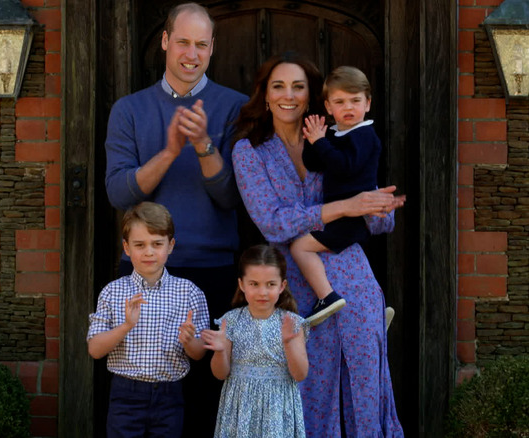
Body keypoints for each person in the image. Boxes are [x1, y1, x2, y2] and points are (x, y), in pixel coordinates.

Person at [231, 52, 405, 437]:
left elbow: (377, 220)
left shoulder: (339, 139)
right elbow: (273, 223)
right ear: (265, 95)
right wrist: (345, 206)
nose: (288, 95)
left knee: (364, 381)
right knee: (306, 387)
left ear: (311, 97)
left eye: (298, 87)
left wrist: (379, 207)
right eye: (278, 86)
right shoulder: (249, 151)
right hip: (292, 284)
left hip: (352, 274)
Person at [103, 3, 248, 435]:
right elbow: (119, 193)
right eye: (182, 41)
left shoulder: (235, 107)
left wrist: (203, 144)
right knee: (143, 396)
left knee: (207, 398)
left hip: (214, 271)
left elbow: (231, 198)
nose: (191, 53)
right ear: (165, 41)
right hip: (144, 273)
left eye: (201, 44)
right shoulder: (129, 110)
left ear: (212, 48)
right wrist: (169, 151)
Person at [87, 202, 210, 438]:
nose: (149, 252)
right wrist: (126, 326)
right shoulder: (113, 292)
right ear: (126, 248)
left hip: (169, 394)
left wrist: (189, 341)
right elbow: (95, 349)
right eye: (140, 245)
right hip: (126, 393)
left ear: (170, 246)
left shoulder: (189, 292)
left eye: (157, 244)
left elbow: (199, 353)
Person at [291, 65, 382, 326]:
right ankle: (369, 311)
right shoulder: (336, 133)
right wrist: (313, 139)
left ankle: (327, 297)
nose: (349, 107)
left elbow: (345, 166)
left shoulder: (364, 135)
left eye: (355, 100)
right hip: (339, 214)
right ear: (329, 107)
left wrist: (321, 142)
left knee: (300, 247)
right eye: (340, 102)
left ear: (368, 103)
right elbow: (314, 164)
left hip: (351, 218)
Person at [201, 245, 308, 438]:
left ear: (282, 286)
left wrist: (289, 344)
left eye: (270, 284)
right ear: (242, 284)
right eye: (254, 284)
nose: (262, 292)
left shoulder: (292, 323)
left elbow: (300, 374)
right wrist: (220, 351)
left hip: (277, 407)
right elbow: (220, 373)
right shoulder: (231, 321)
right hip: (240, 406)